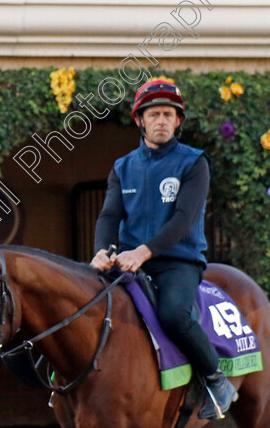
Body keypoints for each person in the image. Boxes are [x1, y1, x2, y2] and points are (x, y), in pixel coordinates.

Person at [90, 79, 238, 420]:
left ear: (177, 121)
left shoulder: (194, 163)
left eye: (169, 115)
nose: (161, 121)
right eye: (154, 114)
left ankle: (216, 380)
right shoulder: (122, 167)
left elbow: (184, 220)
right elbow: (110, 215)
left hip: (176, 262)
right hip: (127, 262)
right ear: (139, 120)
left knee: (174, 315)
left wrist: (142, 253)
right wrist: (101, 251)